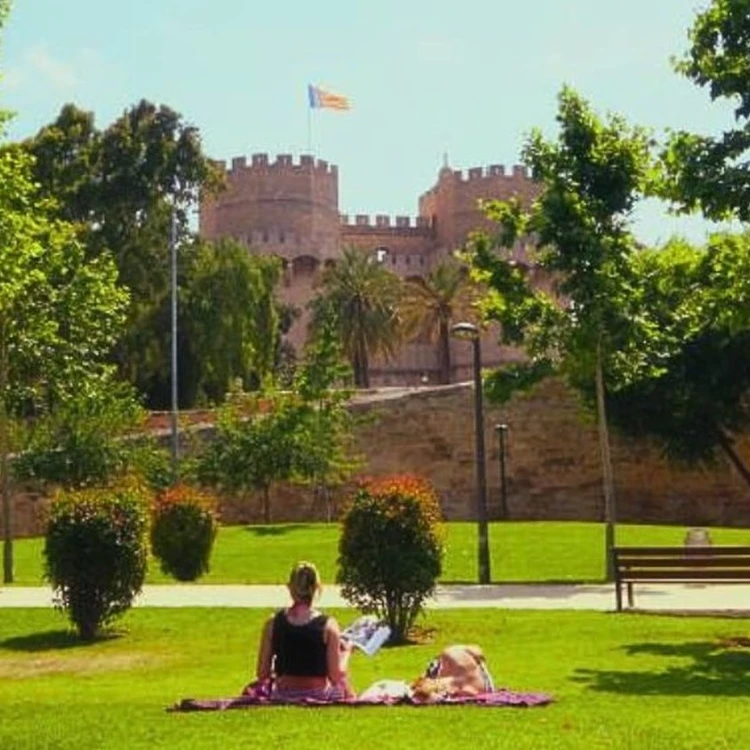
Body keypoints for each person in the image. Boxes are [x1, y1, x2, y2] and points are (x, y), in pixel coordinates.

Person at [255, 561, 354, 701]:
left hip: (283, 694)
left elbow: (262, 673)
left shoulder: (273, 623)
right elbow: (336, 676)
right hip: (318, 693)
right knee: (344, 685)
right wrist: (346, 653)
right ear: (316, 588)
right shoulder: (328, 625)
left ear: (290, 588)